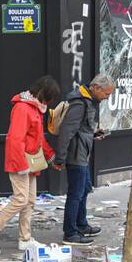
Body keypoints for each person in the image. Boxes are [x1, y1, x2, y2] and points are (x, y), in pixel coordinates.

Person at [0, 76, 61, 256]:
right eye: (49, 98)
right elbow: (15, 139)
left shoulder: (33, 108)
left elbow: (38, 138)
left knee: (29, 200)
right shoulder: (23, 108)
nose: (49, 103)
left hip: (29, 160)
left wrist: (51, 157)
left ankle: (25, 239)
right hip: (21, 161)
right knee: (21, 199)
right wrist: (21, 164)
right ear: (44, 95)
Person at [55, 74, 115, 244]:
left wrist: (93, 134)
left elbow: (81, 129)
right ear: (96, 88)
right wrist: (60, 157)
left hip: (82, 153)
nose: (106, 98)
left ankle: (81, 225)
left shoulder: (87, 101)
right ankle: (70, 233)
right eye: (106, 94)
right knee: (75, 194)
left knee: (84, 189)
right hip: (76, 156)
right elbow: (67, 131)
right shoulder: (79, 103)